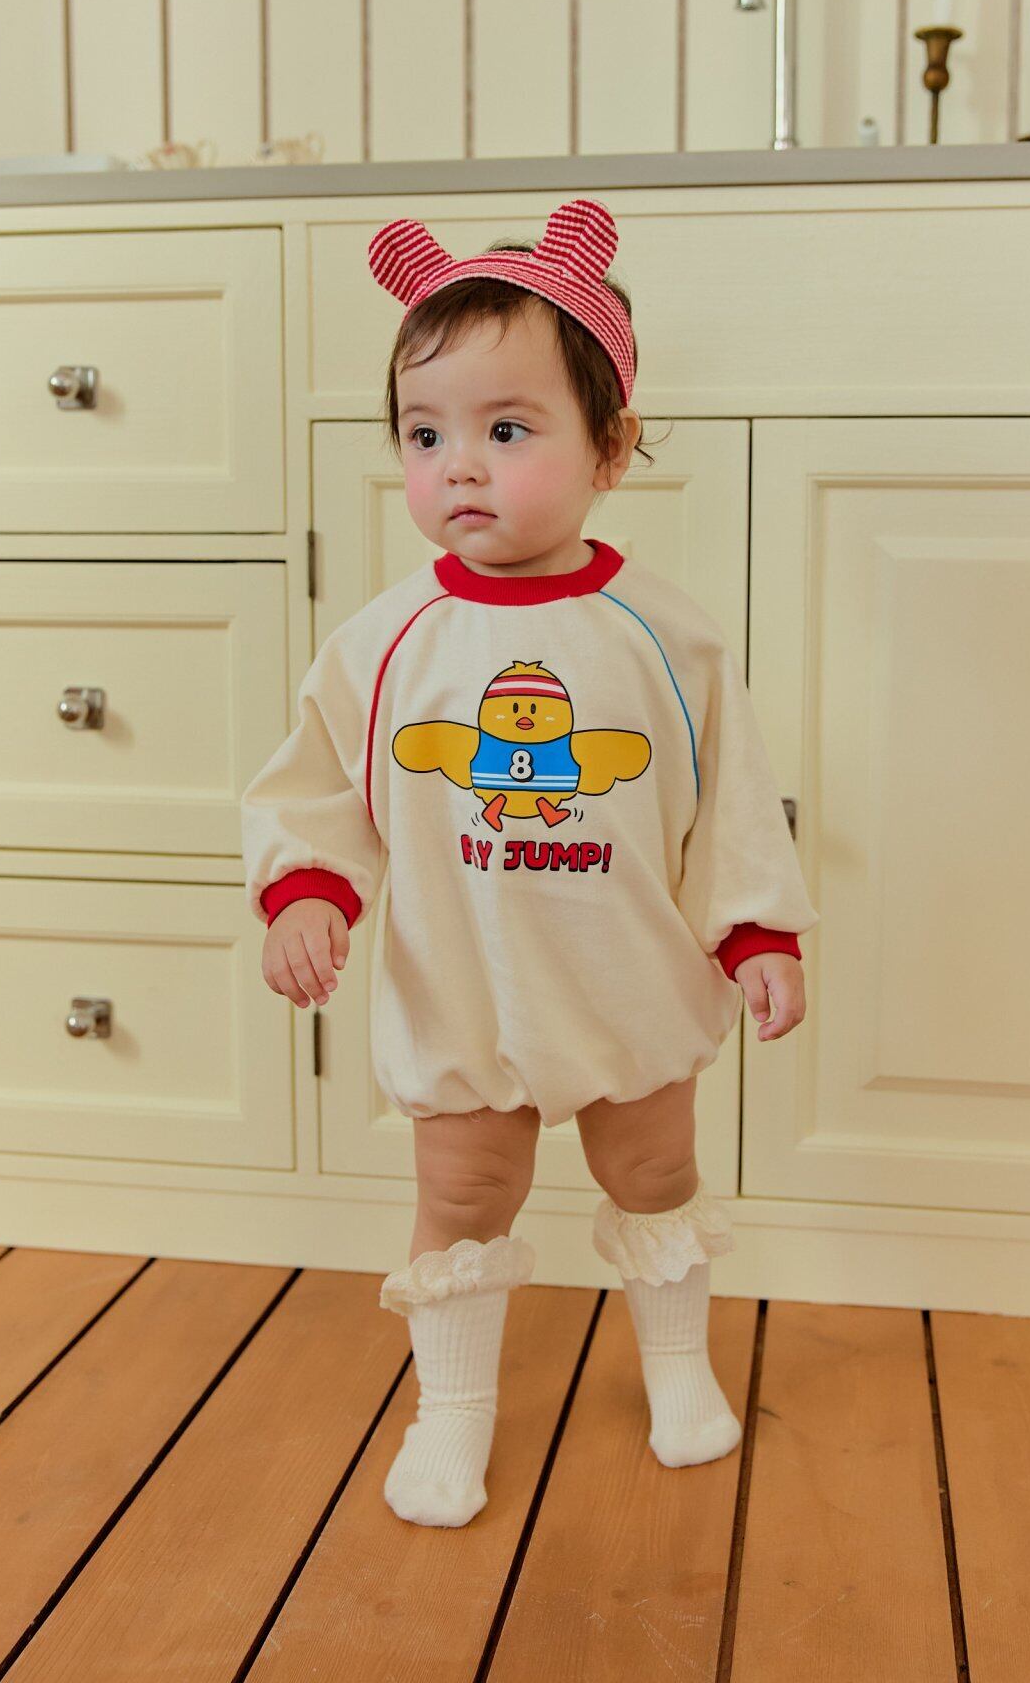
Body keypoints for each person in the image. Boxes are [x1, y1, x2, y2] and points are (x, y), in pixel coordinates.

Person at [240, 196, 819, 1529]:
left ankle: (676, 1363)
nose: (460, 467)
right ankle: (452, 1410)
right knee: (461, 1193)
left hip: (627, 976)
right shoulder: (384, 644)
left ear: (609, 447)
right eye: (425, 434)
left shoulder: (662, 636)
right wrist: (306, 891)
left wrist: (756, 932)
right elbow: (318, 783)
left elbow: (731, 801)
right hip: (463, 983)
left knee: (653, 1172)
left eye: (507, 431)